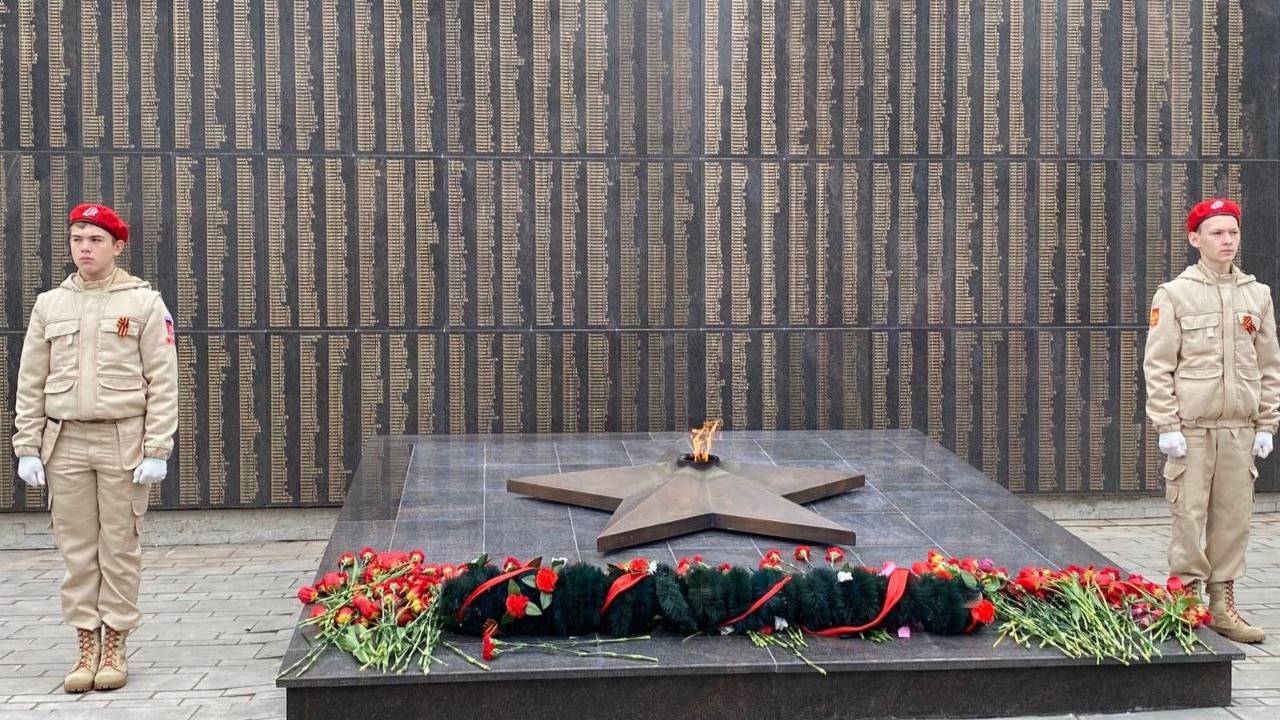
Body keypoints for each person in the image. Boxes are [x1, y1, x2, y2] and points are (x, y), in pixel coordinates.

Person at [12, 204, 179, 691]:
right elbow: (31, 381)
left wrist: (157, 447)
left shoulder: (144, 303)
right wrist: (27, 445)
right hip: (64, 441)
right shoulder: (50, 305)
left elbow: (162, 381)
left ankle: (115, 645)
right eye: (77, 239)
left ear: (117, 246)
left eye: (95, 240)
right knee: (77, 550)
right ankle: (86, 645)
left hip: (121, 440)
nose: (84, 248)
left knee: (118, 547)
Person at [1143, 197, 1278, 643]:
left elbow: (1269, 366)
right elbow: (1158, 366)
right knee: (1189, 515)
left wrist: (1266, 424)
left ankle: (1222, 605)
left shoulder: (1257, 295)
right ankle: (1184, 604)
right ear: (1194, 239)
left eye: (1233, 232)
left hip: (1239, 430)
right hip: (1193, 432)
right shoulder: (1175, 294)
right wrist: (1167, 426)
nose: (1227, 240)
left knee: (1233, 519)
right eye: (1217, 233)